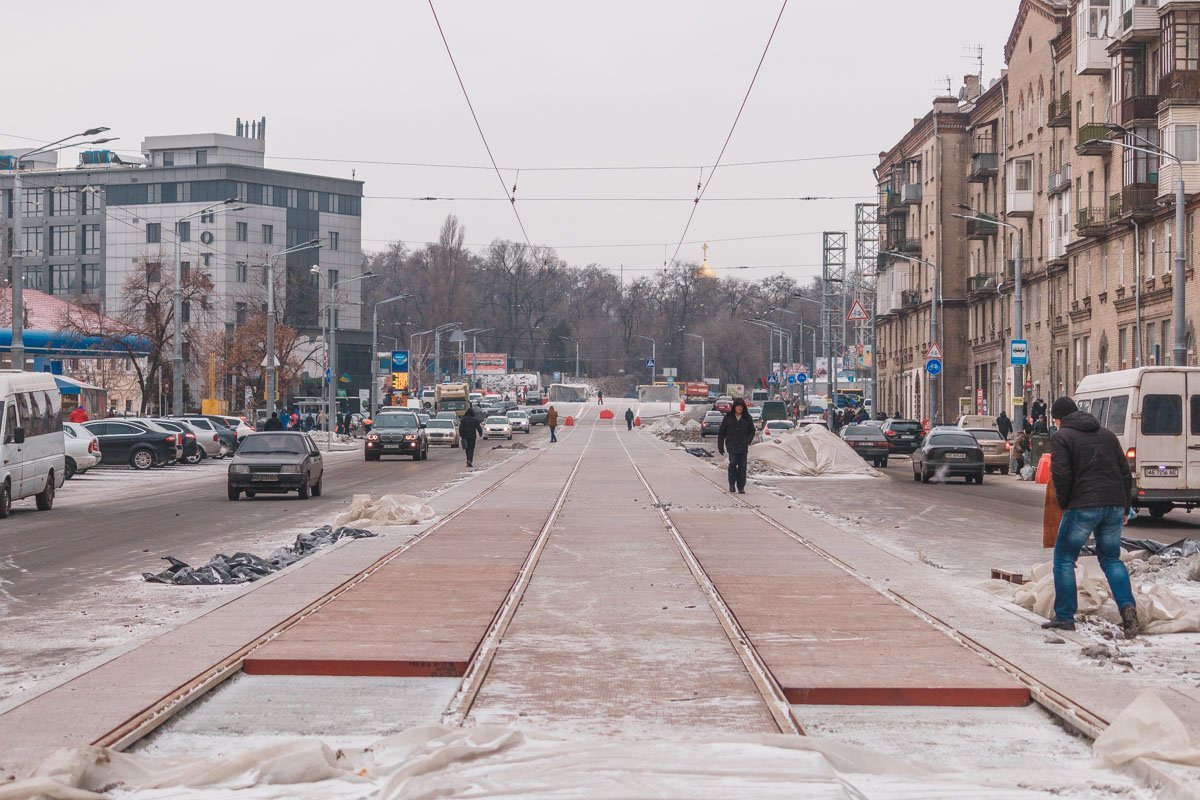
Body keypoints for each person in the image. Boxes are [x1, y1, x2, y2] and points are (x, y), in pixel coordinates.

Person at [1044, 396, 1138, 638]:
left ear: (1059, 418)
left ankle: (1064, 617)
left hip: (1083, 504)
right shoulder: (1107, 435)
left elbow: (1061, 475)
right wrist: (1125, 507)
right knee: (1111, 559)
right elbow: (1124, 472)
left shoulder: (1062, 437)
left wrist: (1065, 504)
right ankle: (1128, 610)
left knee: (1064, 558)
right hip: (1114, 503)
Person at [717, 397, 756, 494]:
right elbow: (722, 433)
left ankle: (741, 486)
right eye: (738, 406)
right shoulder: (728, 418)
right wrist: (720, 446)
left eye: (741, 407)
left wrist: (748, 440)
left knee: (742, 467)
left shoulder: (747, 418)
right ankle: (731, 484)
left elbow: (752, 431)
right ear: (734, 407)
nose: (739, 408)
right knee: (733, 463)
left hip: (743, 446)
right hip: (732, 445)